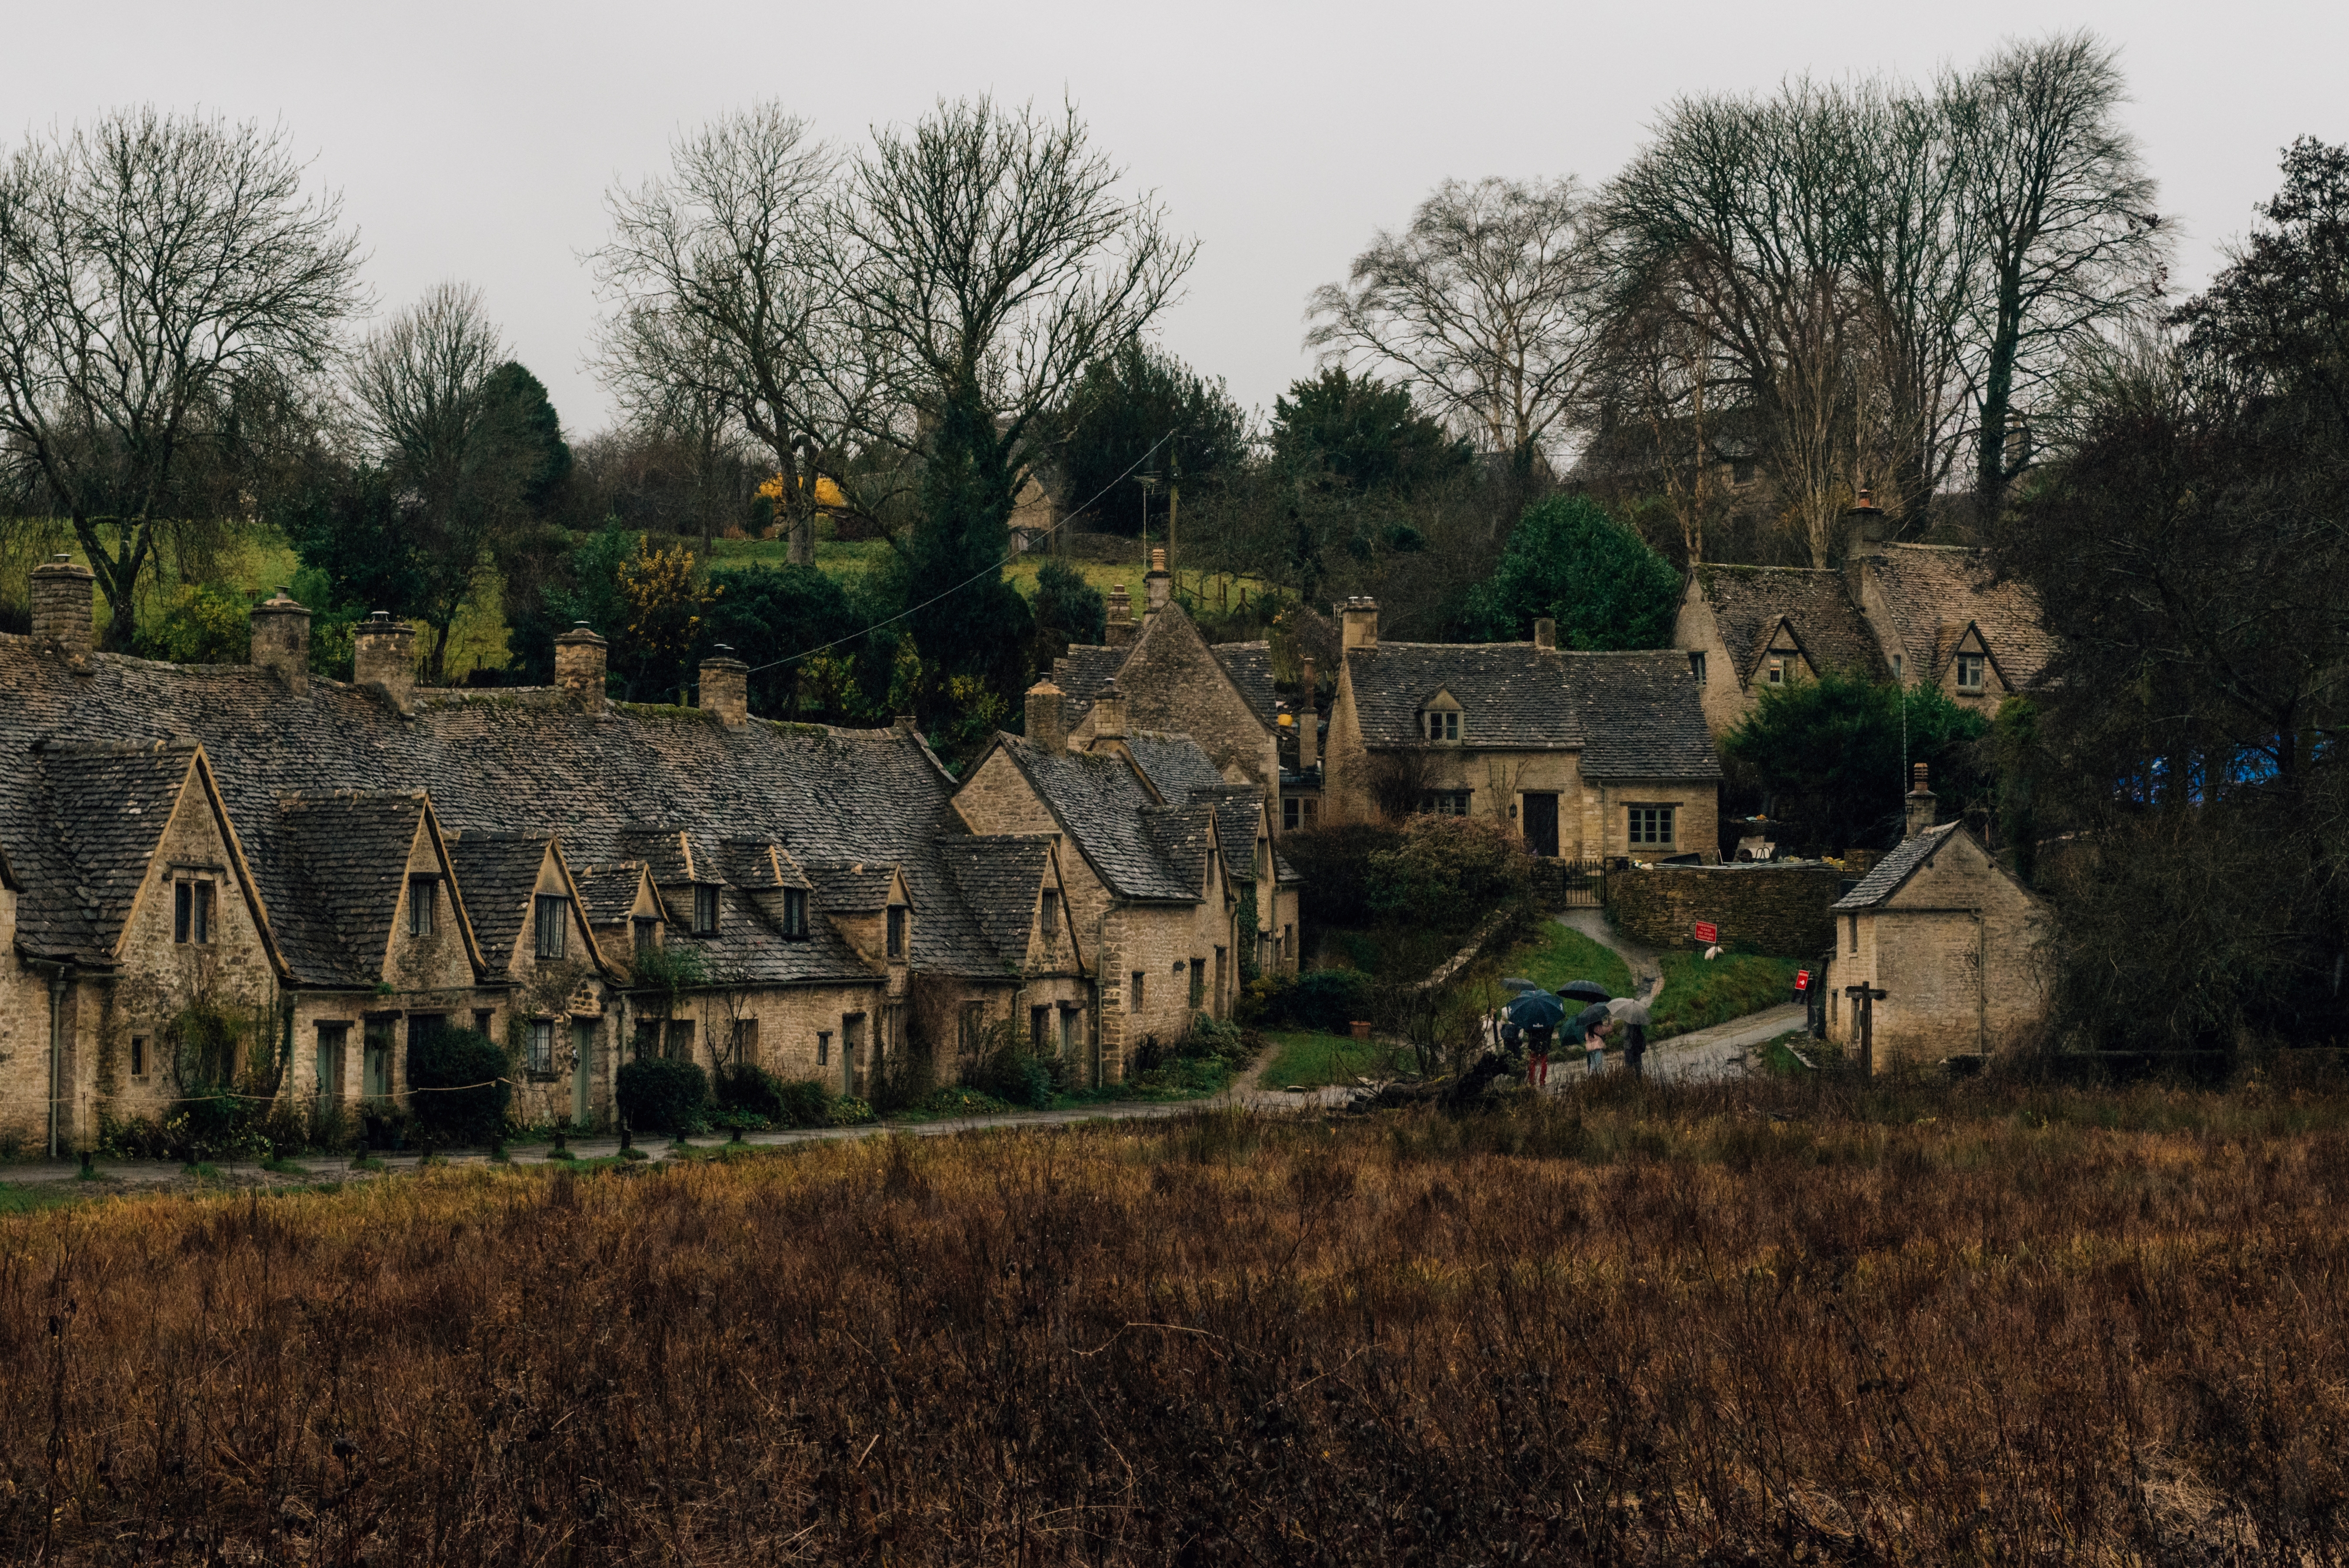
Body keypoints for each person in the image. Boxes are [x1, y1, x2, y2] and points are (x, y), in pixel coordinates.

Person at [1525, 1021, 1553, 1089]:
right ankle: (1542, 1081)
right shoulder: (1549, 1020)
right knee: (1544, 1063)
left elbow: (1527, 1030)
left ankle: (1531, 1081)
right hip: (1545, 1043)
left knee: (1532, 1063)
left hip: (1533, 1043)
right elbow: (1551, 1030)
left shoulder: (1532, 1019)